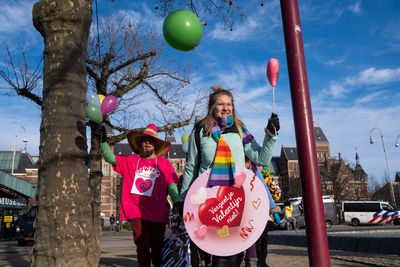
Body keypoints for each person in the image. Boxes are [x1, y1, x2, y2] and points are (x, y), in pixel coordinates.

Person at [179, 86, 280, 267]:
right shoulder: (200, 132)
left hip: (236, 200)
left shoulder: (240, 129)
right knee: (217, 254)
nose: (226, 108)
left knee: (232, 254)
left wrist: (271, 136)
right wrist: (182, 199)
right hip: (209, 201)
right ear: (212, 107)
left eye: (229, 104)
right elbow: (191, 167)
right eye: (221, 104)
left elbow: (260, 157)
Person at [95, 123, 180, 267]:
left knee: (158, 248)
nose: (147, 142)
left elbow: (172, 185)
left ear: (155, 144)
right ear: (140, 144)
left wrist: (177, 203)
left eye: (150, 140)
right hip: (137, 211)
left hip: (157, 212)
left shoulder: (164, 164)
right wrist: (102, 141)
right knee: (142, 248)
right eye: (144, 140)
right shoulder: (130, 161)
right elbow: (110, 158)